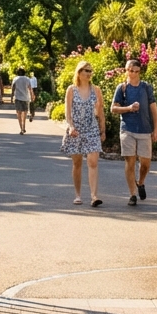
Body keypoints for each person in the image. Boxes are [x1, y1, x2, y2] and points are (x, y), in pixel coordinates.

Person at [110, 59, 157, 207]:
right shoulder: (122, 88)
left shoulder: (146, 87)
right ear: (126, 71)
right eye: (130, 71)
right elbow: (113, 108)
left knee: (145, 163)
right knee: (130, 162)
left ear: (140, 72)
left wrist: (156, 129)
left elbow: (154, 110)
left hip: (145, 130)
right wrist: (129, 108)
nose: (133, 74)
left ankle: (140, 182)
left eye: (136, 71)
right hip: (127, 129)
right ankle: (132, 194)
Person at [60, 61, 104, 207]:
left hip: (91, 129)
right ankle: (78, 195)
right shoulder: (71, 90)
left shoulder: (96, 90)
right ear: (79, 72)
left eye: (91, 71)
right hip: (76, 131)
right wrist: (70, 126)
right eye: (86, 70)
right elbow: (67, 113)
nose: (89, 73)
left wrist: (102, 131)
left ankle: (94, 196)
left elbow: (100, 113)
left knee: (93, 162)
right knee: (77, 163)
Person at [11, 66, 32, 134]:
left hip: (18, 98)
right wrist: (32, 96)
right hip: (25, 98)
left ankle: (21, 128)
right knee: (24, 114)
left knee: (19, 114)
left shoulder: (15, 79)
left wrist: (11, 97)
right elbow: (30, 89)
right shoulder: (27, 79)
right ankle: (24, 127)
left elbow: (13, 89)